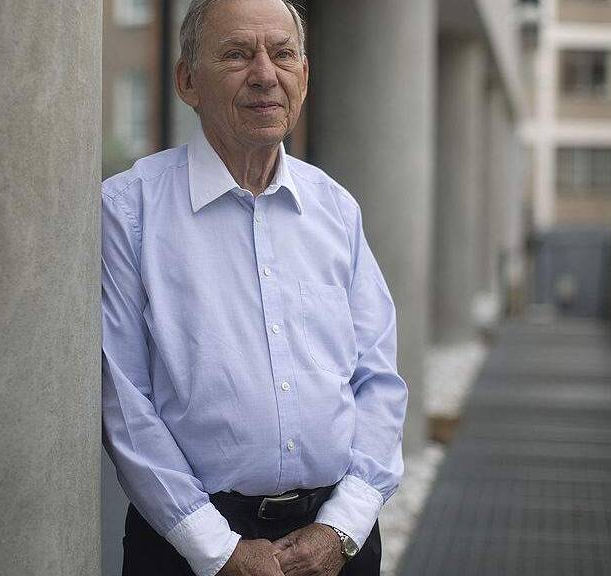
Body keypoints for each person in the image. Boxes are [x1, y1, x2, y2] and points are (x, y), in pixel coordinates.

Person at [101, 0, 408, 574]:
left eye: (283, 54)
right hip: (185, 547)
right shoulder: (129, 210)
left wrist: (343, 525)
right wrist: (217, 550)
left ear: (304, 77)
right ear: (187, 81)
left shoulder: (335, 208)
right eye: (237, 54)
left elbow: (379, 382)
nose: (266, 74)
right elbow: (122, 401)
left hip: (337, 541)